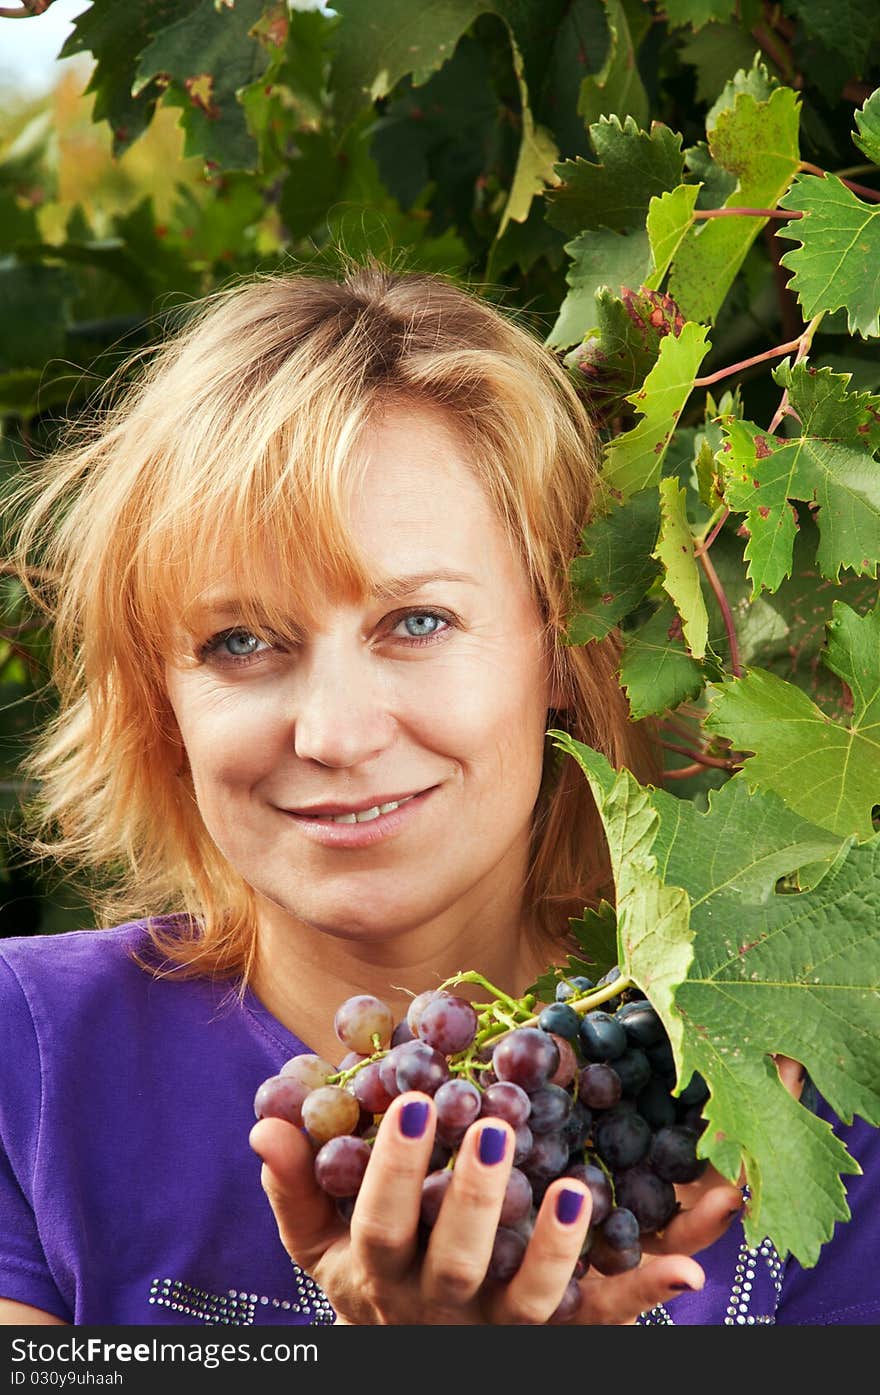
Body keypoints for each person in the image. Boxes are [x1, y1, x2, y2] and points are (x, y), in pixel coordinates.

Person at [0, 264, 876, 1328]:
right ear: (158, 697)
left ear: (562, 643)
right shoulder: (29, 1065)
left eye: (415, 621)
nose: (333, 732)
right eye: (239, 642)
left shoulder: (814, 1080)